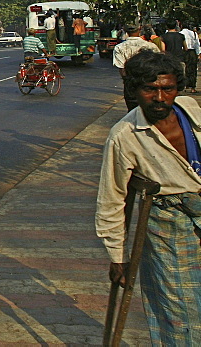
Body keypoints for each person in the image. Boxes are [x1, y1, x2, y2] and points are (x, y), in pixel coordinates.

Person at [95, 51, 201, 344]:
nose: (159, 97)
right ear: (135, 91)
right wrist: (118, 257)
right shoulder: (124, 135)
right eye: (150, 90)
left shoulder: (190, 110)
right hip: (169, 225)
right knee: (180, 311)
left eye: (167, 89)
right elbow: (113, 199)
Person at [113, 25, 161, 111]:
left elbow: (121, 67)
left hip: (130, 81)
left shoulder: (120, 47)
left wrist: (127, 81)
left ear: (126, 33)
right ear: (139, 31)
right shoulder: (150, 46)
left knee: (132, 109)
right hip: (148, 80)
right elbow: (158, 64)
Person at [182, 24, 200, 94]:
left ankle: (185, 86)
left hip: (184, 52)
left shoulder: (181, 33)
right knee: (193, 69)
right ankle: (193, 87)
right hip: (192, 53)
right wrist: (198, 54)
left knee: (184, 69)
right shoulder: (194, 34)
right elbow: (197, 45)